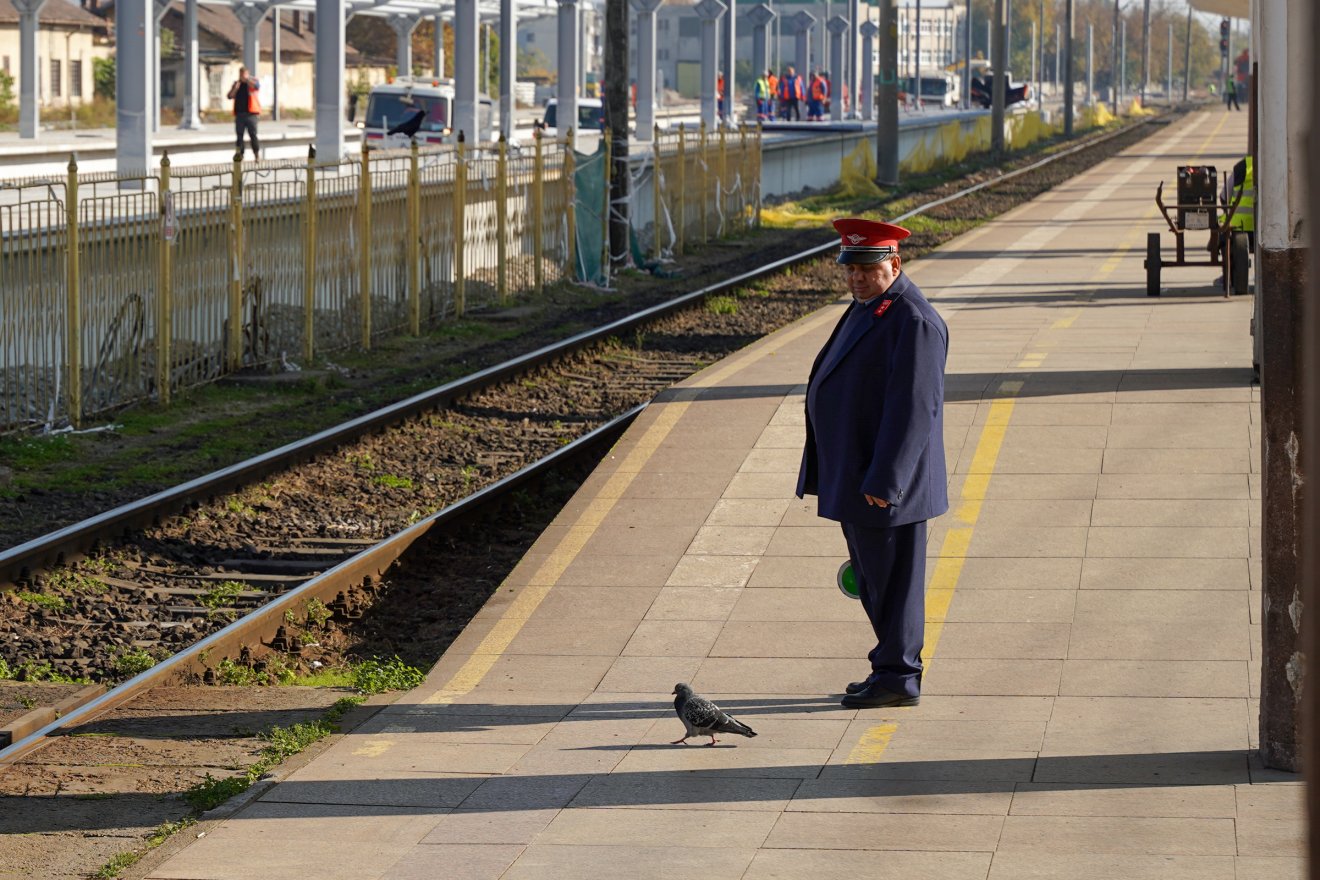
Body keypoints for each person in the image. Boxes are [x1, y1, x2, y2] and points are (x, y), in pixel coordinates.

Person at [797, 218, 949, 709]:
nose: (856, 278)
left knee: (894, 584)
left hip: (883, 484)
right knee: (875, 581)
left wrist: (887, 479)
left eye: (868, 267)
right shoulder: (871, 308)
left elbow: (914, 409)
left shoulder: (914, 321)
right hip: (858, 476)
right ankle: (887, 666)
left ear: (895, 263)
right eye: (851, 268)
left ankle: (899, 676)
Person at [228, 66, 261, 160]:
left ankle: (256, 154)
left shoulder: (253, 81)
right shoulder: (236, 84)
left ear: (247, 74)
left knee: (253, 135)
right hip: (240, 115)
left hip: (251, 114)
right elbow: (229, 96)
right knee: (239, 136)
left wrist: (247, 80)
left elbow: (257, 87)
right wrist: (235, 88)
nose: (242, 76)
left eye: (244, 74)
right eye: (241, 74)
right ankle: (240, 155)